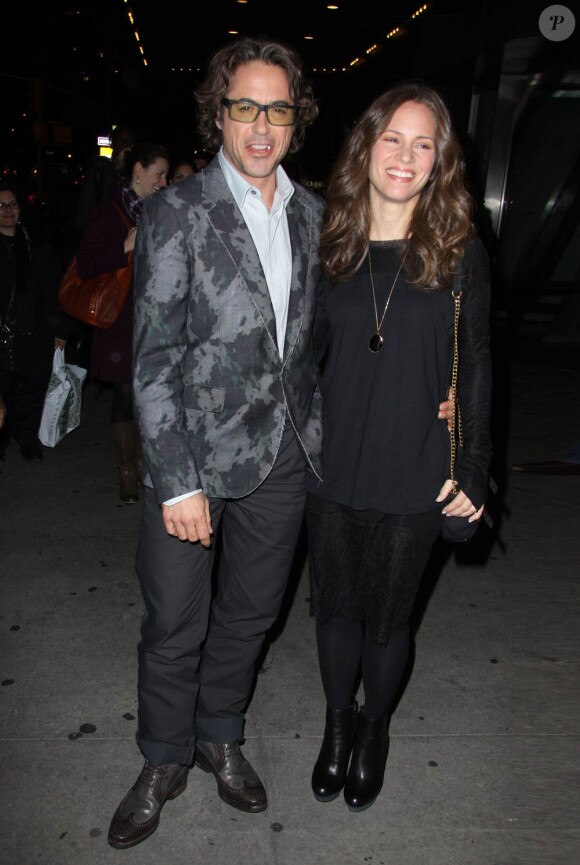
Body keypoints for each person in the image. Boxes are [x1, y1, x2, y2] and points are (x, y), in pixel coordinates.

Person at [107, 41, 455, 849]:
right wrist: (174, 479)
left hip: (288, 456)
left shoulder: (318, 215)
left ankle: (219, 733)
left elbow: (370, 321)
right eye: (244, 107)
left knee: (252, 615)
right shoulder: (176, 213)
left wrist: (441, 390)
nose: (261, 126)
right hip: (191, 461)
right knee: (174, 621)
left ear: (297, 120)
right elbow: (154, 358)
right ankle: (163, 756)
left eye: (278, 109)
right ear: (218, 113)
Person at [305, 83, 492, 813]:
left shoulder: (457, 249)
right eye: (393, 138)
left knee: (388, 618)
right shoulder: (329, 238)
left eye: (424, 144)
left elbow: (475, 361)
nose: (406, 156)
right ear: (367, 145)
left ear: (440, 158)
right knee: (335, 614)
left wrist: (473, 462)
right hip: (331, 459)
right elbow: (297, 355)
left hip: (417, 460)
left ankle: (373, 728)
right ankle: (336, 721)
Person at [75, 141, 170, 503]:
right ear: (138, 172)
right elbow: (85, 265)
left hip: (157, 317)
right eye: (159, 174)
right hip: (122, 320)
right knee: (126, 394)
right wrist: (124, 248)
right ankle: (128, 472)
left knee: (151, 394)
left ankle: (149, 466)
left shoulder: (162, 210)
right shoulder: (110, 213)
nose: (163, 182)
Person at [0, 182, 72, 461]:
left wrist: (60, 329)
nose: (8, 211)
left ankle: (27, 438)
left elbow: (57, 289)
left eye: (12, 205)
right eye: (2, 206)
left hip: (34, 332)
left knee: (31, 389)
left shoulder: (36, 245)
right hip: (3, 336)